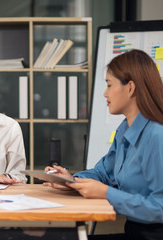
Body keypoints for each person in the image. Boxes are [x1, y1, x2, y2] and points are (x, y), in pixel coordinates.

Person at [43, 49, 163, 240]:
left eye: (109, 85)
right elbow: (103, 173)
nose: (105, 93)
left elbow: (160, 207)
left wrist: (107, 194)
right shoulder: (125, 128)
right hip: (134, 232)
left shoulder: (157, 135)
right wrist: (72, 181)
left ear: (130, 88)